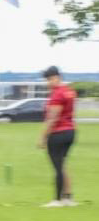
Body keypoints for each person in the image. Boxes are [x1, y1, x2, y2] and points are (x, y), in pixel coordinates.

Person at [38, 66, 78, 208]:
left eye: (49, 79)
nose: (48, 83)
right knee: (63, 165)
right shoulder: (69, 91)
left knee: (58, 167)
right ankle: (68, 198)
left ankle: (57, 200)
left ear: (56, 77)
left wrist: (43, 137)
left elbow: (52, 118)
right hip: (70, 132)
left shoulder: (57, 94)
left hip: (58, 133)